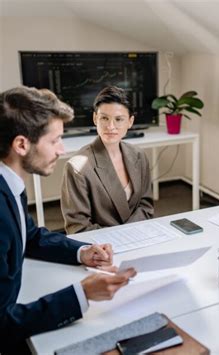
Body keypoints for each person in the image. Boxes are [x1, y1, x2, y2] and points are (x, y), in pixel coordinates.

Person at [0, 86, 136, 353]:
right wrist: (81, 294)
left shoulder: (10, 183)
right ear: (21, 144)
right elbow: (2, 325)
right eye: (54, 141)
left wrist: (82, 252)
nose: (61, 150)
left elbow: (31, 236)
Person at [61, 86, 154, 234]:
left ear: (130, 122)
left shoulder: (139, 155)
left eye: (119, 119)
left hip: (139, 235)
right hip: (102, 247)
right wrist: (121, 236)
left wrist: (131, 233)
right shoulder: (77, 167)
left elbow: (146, 206)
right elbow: (78, 227)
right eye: (104, 118)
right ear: (94, 119)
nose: (111, 126)